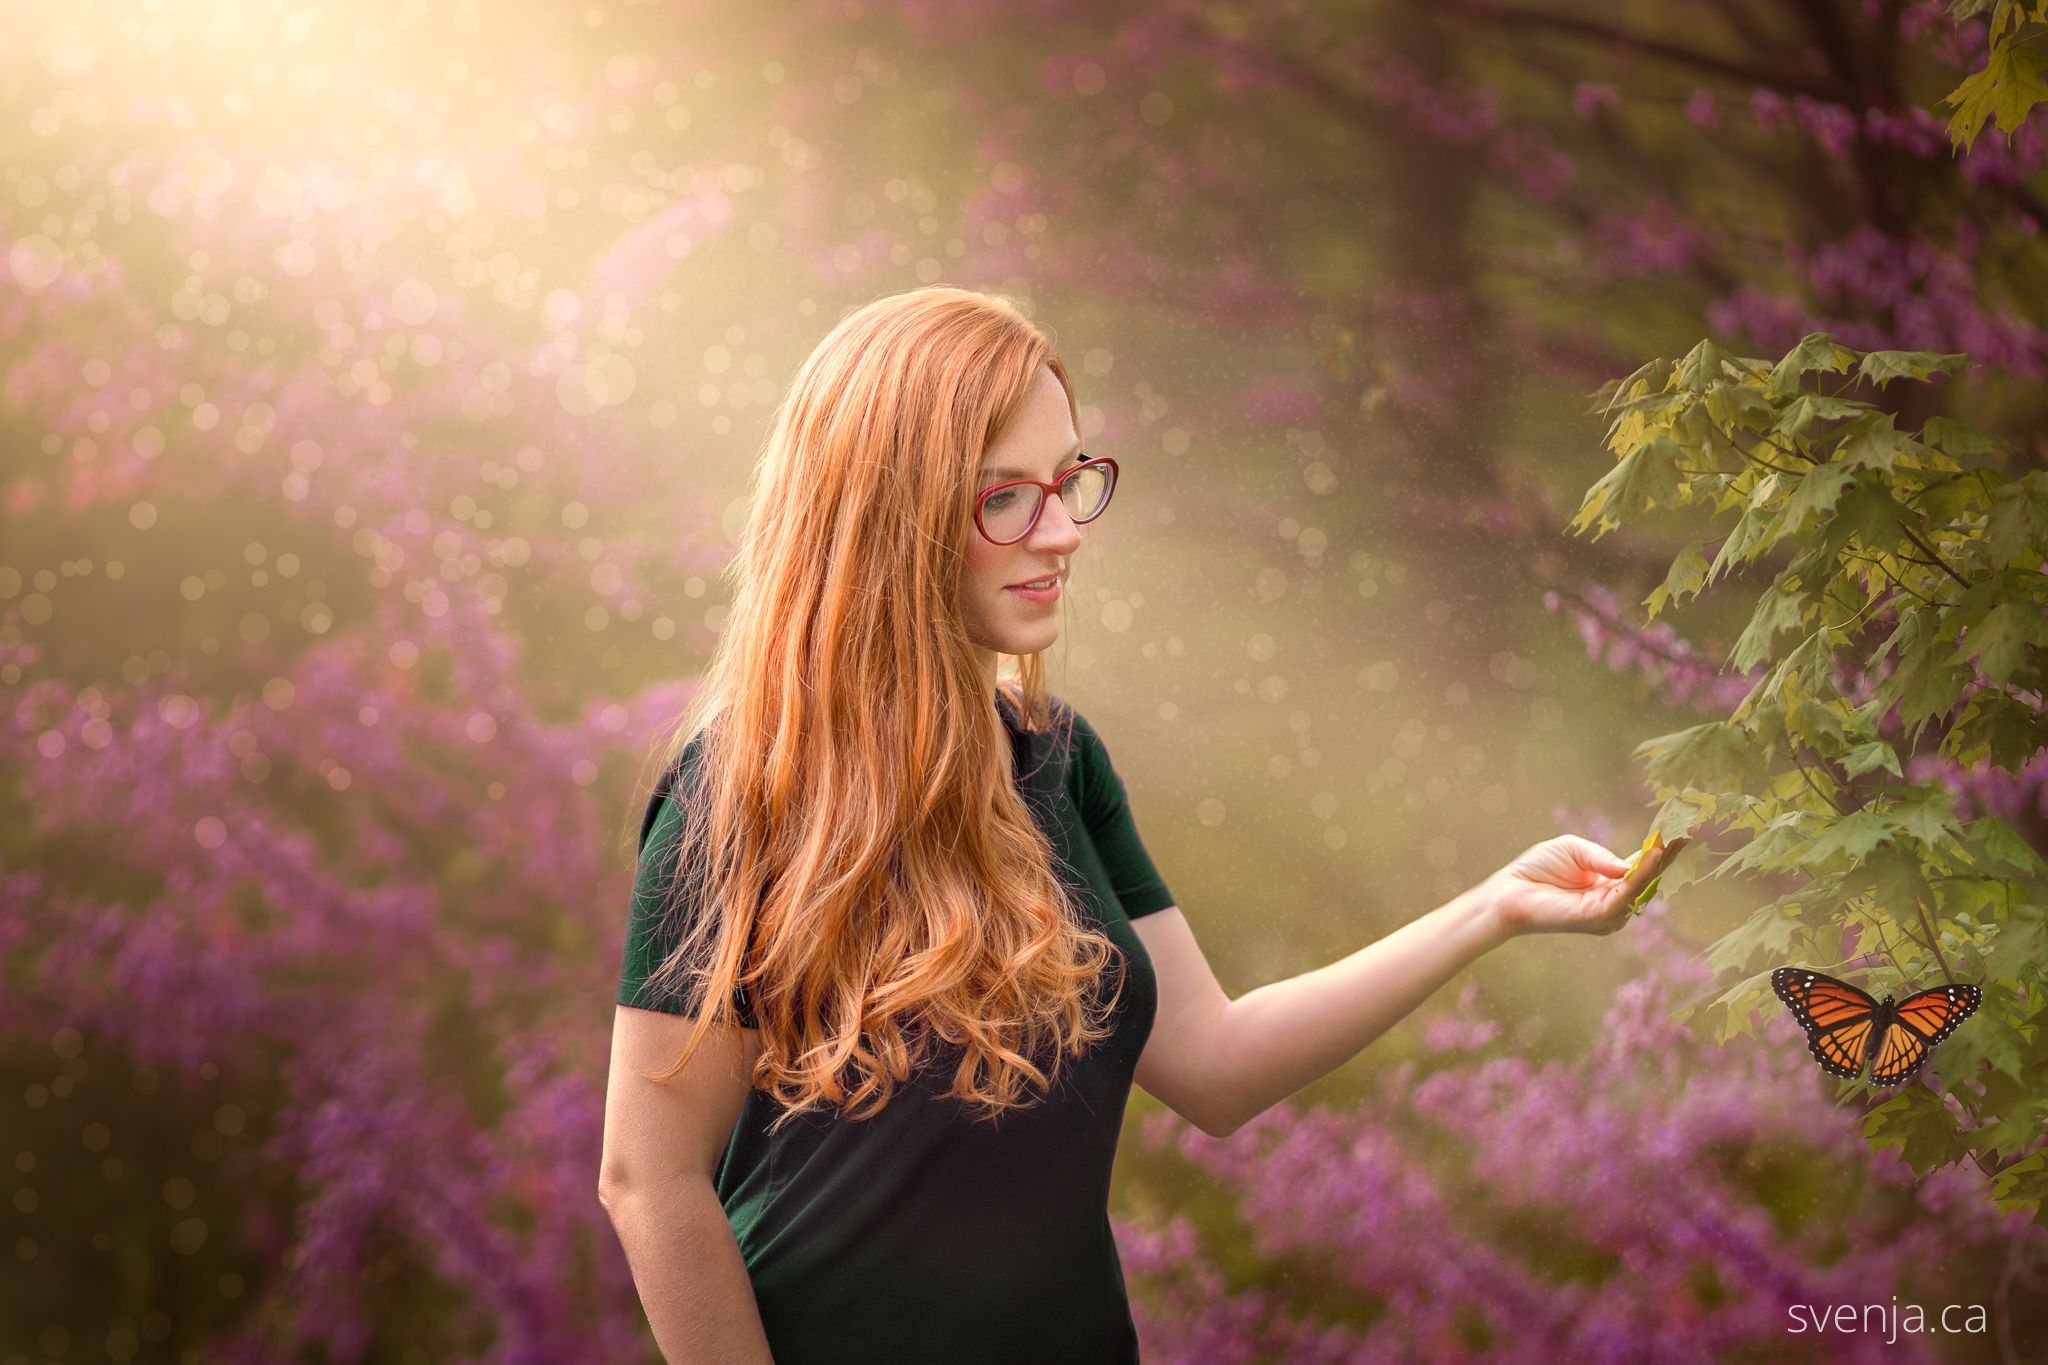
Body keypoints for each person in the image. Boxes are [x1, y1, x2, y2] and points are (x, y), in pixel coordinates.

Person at [596, 286, 1644, 1365]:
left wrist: (1490, 909)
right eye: (1002, 497)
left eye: (1067, 484)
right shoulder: (741, 792)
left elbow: (1215, 1065)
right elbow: (649, 1179)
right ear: (883, 511)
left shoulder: (1058, 760)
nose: (1062, 534)